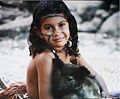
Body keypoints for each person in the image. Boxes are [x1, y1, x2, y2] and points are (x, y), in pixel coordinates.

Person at [26, 0, 109, 99]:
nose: (57, 32)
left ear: (69, 24)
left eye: (61, 25)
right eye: (48, 27)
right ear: (39, 32)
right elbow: (45, 96)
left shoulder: (68, 50)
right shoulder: (45, 57)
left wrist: (105, 92)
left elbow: (94, 75)